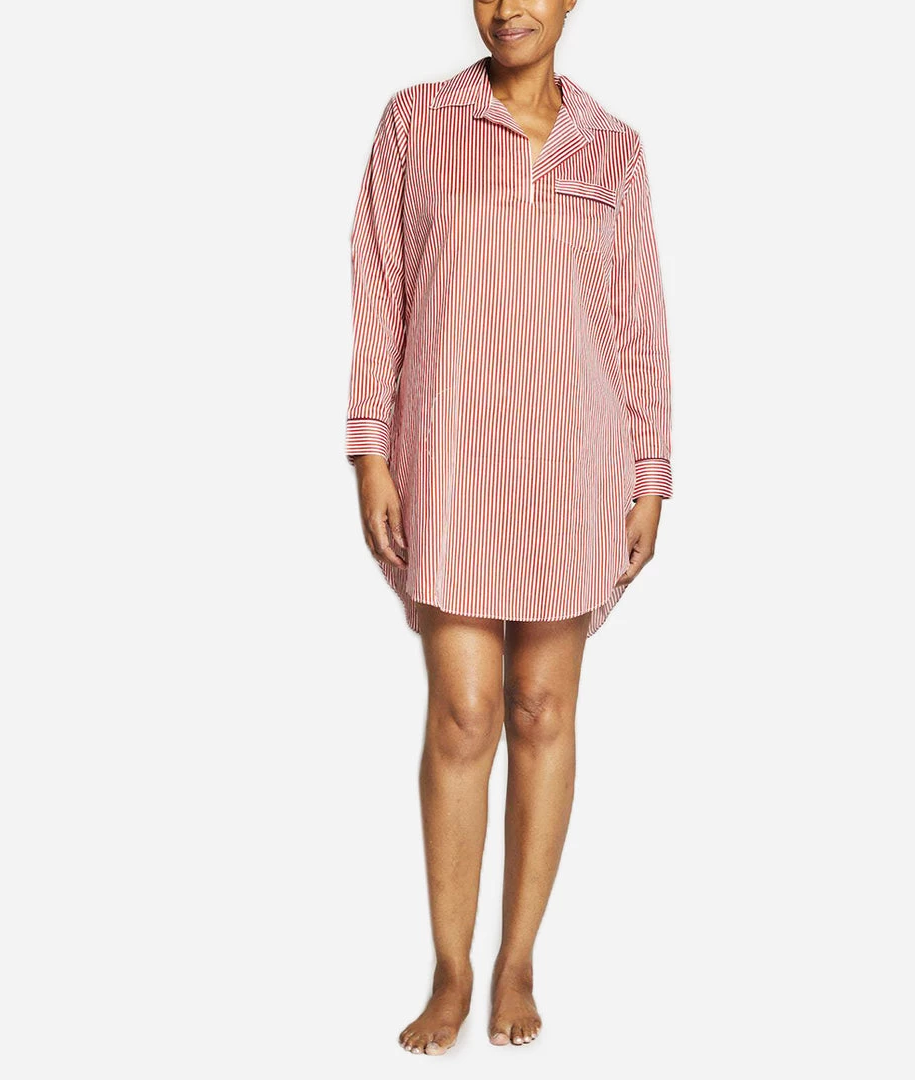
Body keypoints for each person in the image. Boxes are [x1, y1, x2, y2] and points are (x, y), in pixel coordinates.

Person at [345, 0, 672, 1056]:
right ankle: (451, 970)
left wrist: (651, 472)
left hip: (574, 459)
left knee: (541, 707)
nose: (508, 5)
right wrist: (370, 447)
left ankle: (518, 958)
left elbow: (637, 320)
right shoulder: (416, 121)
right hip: (450, 453)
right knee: (463, 711)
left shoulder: (613, 149)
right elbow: (379, 287)